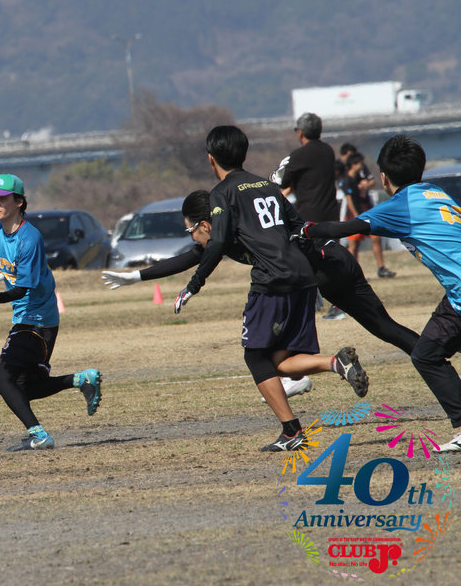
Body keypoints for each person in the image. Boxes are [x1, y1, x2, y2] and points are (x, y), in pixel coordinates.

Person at [103, 189, 418, 397]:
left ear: (205, 224)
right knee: (384, 327)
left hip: (317, 270)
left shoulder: (239, 231)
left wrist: (308, 282)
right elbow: (188, 258)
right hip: (336, 259)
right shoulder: (231, 229)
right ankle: (430, 356)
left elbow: (286, 245)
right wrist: (136, 276)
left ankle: (309, 377)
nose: (192, 238)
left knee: (268, 358)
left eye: (190, 231)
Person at [172, 126, 368, 453]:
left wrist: (194, 284)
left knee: (255, 356)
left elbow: (217, 242)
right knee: (278, 359)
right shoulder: (266, 185)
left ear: (211, 159)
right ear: (244, 153)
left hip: (272, 281)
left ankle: (292, 432)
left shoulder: (221, 193)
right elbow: (298, 226)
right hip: (303, 277)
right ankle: (336, 363)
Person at [295, 135, 461, 452]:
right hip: (455, 296)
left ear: (384, 177)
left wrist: (305, 229)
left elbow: (343, 229)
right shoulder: (435, 192)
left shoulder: (400, 205)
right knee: (428, 351)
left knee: (426, 355)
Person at [0, 173, 102, 452]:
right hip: (24, 316)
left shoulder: (30, 239)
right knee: (24, 388)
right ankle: (81, 379)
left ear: (19, 202)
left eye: (2, 199)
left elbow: (22, 289)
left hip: (39, 319)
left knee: (2, 380)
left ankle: (39, 436)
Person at [342, 153, 397, 278]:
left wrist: (366, 185)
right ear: (353, 165)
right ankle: (353, 272)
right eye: (359, 163)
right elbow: (349, 200)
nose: (362, 166)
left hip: (366, 213)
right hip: (354, 215)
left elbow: (371, 181)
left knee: (376, 237)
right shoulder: (347, 180)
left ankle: (381, 268)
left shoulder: (359, 177)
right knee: (353, 244)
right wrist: (356, 216)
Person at [281, 113, 340, 223]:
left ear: (300, 133)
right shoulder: (328, 150)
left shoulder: (298, 155)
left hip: (310, 216)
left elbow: (284, 182)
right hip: (332, 215)